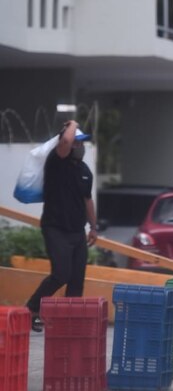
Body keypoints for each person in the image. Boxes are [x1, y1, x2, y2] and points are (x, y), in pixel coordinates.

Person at [26, 120, 98, 331]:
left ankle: (69, 323)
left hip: (77, 232)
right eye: (76, 142)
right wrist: (74, 123)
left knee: (76, 280)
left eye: (81, 143)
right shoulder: (56, 161)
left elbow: (88, 200)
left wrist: (94, 228)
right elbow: (66, 139)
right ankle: (31, 309)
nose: (79, 146)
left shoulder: (85, 171)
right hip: (55, 228)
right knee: (61, 274)